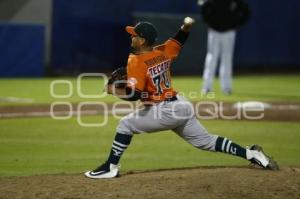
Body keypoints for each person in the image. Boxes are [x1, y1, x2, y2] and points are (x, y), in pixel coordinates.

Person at [84, 17, 278, 179]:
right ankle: (251, 153)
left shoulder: (135, 61)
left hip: (164, 110)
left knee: (125, 125)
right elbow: (179, 40)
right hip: (181, 105)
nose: (131, 37)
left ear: (142, 41)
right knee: (206, 141)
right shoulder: (162, 51)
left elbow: (135, 95)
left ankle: (110, 167)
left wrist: (112, 90)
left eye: (134, 35)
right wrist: (186, 27)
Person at [202, 28, 236, 95]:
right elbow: (206, 17)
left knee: (227, 59)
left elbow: (243, 17)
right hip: (214, 31)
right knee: (211, 59)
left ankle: (227, 88)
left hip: (229, 30)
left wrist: (234, 25)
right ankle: (207, 87)